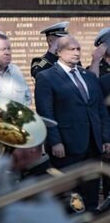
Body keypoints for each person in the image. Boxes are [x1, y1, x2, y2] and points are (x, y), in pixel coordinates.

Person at [35, 35, 110, 211]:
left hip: (92, 145)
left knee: (91, 194)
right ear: (59, 52)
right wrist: (55, 141)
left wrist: (106, 138)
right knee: (71, 197)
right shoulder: (46, 77)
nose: (76, 53)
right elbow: (46, 112)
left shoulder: (88, 76)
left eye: (78, 49)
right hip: (67, 146)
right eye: (71, 49)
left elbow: (100, 109)